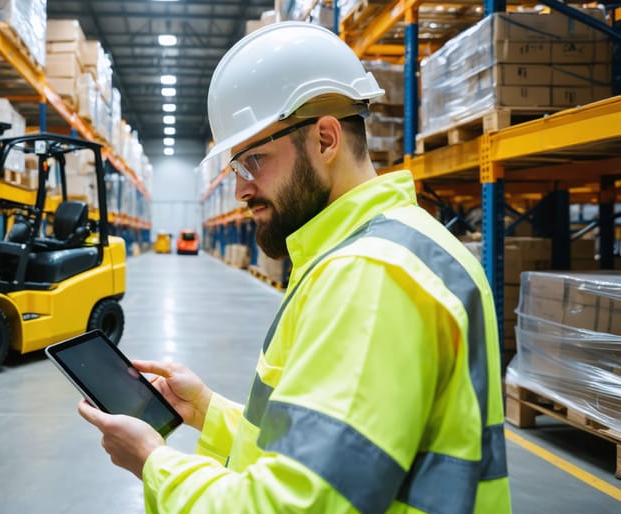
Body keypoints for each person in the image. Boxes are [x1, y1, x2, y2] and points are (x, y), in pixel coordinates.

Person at [78, 22, 511, 513]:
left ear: (326, 139)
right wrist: (206, 412)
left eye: (253, 160)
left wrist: (153, 462)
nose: (240, 190)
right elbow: (325, 449)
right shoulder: (392, 246)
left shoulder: (370, 277)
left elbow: (295, 505)